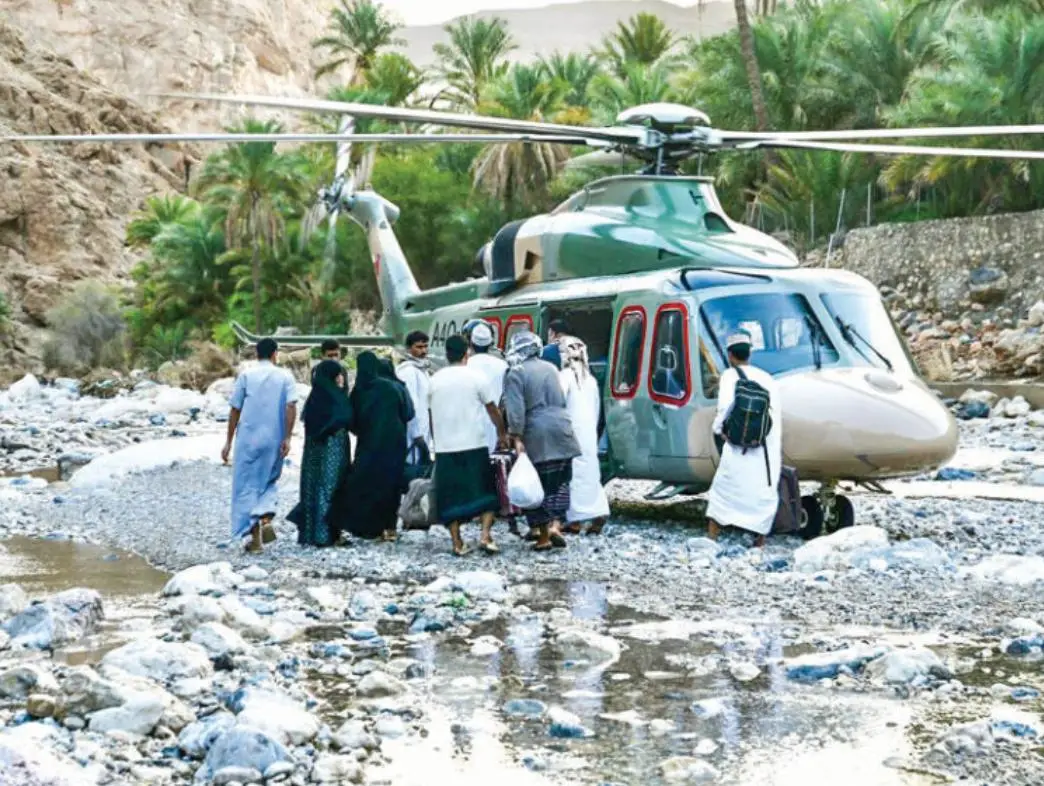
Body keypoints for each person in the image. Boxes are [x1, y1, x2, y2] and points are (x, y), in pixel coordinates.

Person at [429, 334, 508, 556]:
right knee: (485, 492)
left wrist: (436, 440)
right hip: (475, 443)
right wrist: (502, 433)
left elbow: (430, 414)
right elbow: (493, 409)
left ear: (446, 354)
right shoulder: (476, 377)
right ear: (467, 353)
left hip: (446, 447)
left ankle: (457, 543)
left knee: (451, 496)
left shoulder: (435, 380)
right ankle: (485, 535)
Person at [503, 330, 581, 551]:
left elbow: (516, 411)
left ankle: (544, 536)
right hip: (563, 428)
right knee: (560, 482)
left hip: (537, 433)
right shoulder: (551, 368)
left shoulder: (515, 373)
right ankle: (555, 525)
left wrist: (515, 435)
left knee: (537, 484)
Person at [705, 331, 782, 548]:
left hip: (737, 444)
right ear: (750, 354)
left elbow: (725, 407)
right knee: (762, 490)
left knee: (726, 486)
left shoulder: (730, 376)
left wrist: (718, 429)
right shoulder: (768, 378)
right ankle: (759, 539)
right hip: (764, 447)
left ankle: (712, 534)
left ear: (730, 355)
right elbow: (775, 416)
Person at [223, 337, 298, 554]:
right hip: (273, 438)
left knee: (247, 485)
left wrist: (228, 441)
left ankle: (255, 540)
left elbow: (235, 409)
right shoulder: (285, 376)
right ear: (276, 354)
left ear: (257, 355)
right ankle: (265, 516)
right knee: (269, 480)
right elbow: (290, 406)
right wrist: (287, 437)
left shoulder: (246, 375)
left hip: (248, 438)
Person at [341, 351, 413, 542]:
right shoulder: (393, 387)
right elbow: (408, 413)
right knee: (391, 484)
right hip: (394, 444)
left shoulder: (358, 391)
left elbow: (351, 420)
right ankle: (390, 526)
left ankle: (368, 527)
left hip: (368, 444)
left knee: (367, 483)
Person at [286, 360, 353, 547]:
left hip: (313, 451)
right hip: (333, 449)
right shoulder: (336, 397)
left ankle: (310, 534)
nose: (341, 378)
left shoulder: (315, 397)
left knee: (312, 488)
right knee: (329, 489)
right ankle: (325, 535)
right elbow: (345, 419)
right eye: (338, 374)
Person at [559, 337, 610, 535]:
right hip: (588, 432)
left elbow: (559, 402)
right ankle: (599, 510)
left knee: (573, 475)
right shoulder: (591, 380)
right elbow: (596, 409)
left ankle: (574, 521)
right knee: (590, 471)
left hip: (570, 431)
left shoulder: (564, 376)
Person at [466, 322, 508, 453]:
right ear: (490, 344)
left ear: (470, 344)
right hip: (496, 425)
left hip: (469, 427)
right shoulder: (503, 365)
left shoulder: (465, 365)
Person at [396, 332, 433, 467]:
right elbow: (411, 405)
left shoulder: (422, 369)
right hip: (414, 434)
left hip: (423, 431)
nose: (423, 351)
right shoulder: (408, 371)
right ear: (408, 349)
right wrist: (417, 435)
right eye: (418, 347)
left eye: (425, 346)